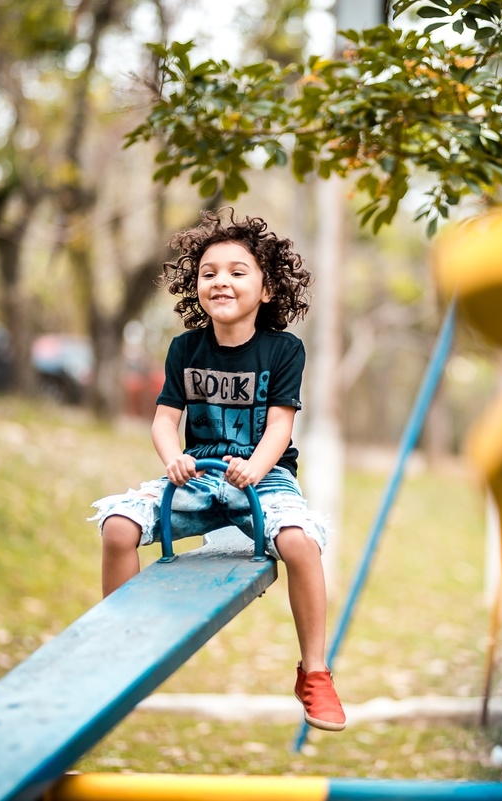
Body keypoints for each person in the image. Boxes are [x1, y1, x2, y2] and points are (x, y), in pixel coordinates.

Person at [90, 207, 345, 732]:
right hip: (199, 476)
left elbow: (280, 426)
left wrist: (255, 466)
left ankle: (315, 672)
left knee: (301, 544)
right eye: (209, 273)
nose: (220, 281)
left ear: (267, 289)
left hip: (263, 478)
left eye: (236, 271)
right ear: (197, 287)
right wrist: (173, 458)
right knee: (117, 527)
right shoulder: (185, 348)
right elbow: (165, 420)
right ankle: (120, 651)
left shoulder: (283, 350)